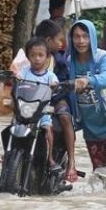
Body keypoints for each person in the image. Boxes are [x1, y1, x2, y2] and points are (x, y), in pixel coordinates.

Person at [67, 19, 106, 173]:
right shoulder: (70, 61)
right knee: (100, 172)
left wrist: (88, 80)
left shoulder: (104, 58)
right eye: (76, 36)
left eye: (85, 36)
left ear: (93, 38)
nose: (81, 41)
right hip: (90, 128)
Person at [34, 19, 79, 182]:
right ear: (48, 40)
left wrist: (65, 84)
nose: (61, 43)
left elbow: (67, 78)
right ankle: (10, 154)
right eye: (58, 39)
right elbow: (18, 69)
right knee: (17, 118)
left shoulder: (59, 59)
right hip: (34, 98)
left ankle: (71, 163)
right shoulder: (29, 55)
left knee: (65, 118)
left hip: (56, 97)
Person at [17, 36, 60, 167]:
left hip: (43, 111)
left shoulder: (50, 76)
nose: (37, 58)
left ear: (47, 57)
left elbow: (56, 85)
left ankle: (50, 157)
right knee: (13, 127)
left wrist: (55, 85)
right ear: (28, 57)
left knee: (47, 129)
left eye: (40, 55)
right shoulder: (24, 72)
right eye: (33, 55)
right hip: (25, 109)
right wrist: (16, 78)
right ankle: (8, 153)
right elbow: (17, 79)